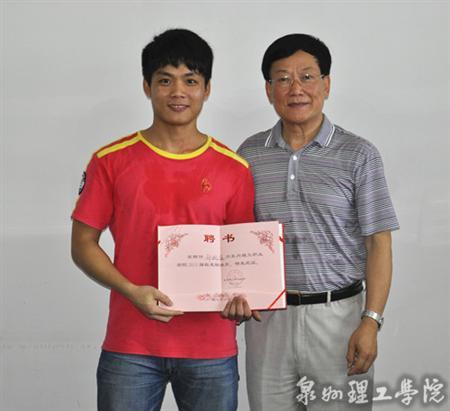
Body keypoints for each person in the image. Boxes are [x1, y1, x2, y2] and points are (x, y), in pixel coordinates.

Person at [71, 28, 255, 411]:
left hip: (211, 349)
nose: (178, 92)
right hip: (131, 345)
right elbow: (82, 244)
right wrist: (131, 291)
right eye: (165, 80)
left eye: (191, 81)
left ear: (207, 89)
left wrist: (243, 297)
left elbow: (242, 257)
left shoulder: (234, 169)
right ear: (147, 86)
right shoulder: (111, 161)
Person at [237, 34, 400, 411]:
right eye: (283, 78)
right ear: (269, 90)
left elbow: (378, 242)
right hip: (268, 321)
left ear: (326, 84)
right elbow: (238, 237)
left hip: (338, 318)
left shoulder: (359, 154)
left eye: (307, 77)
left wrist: (371, 321)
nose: (295, 89)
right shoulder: (249, 155)